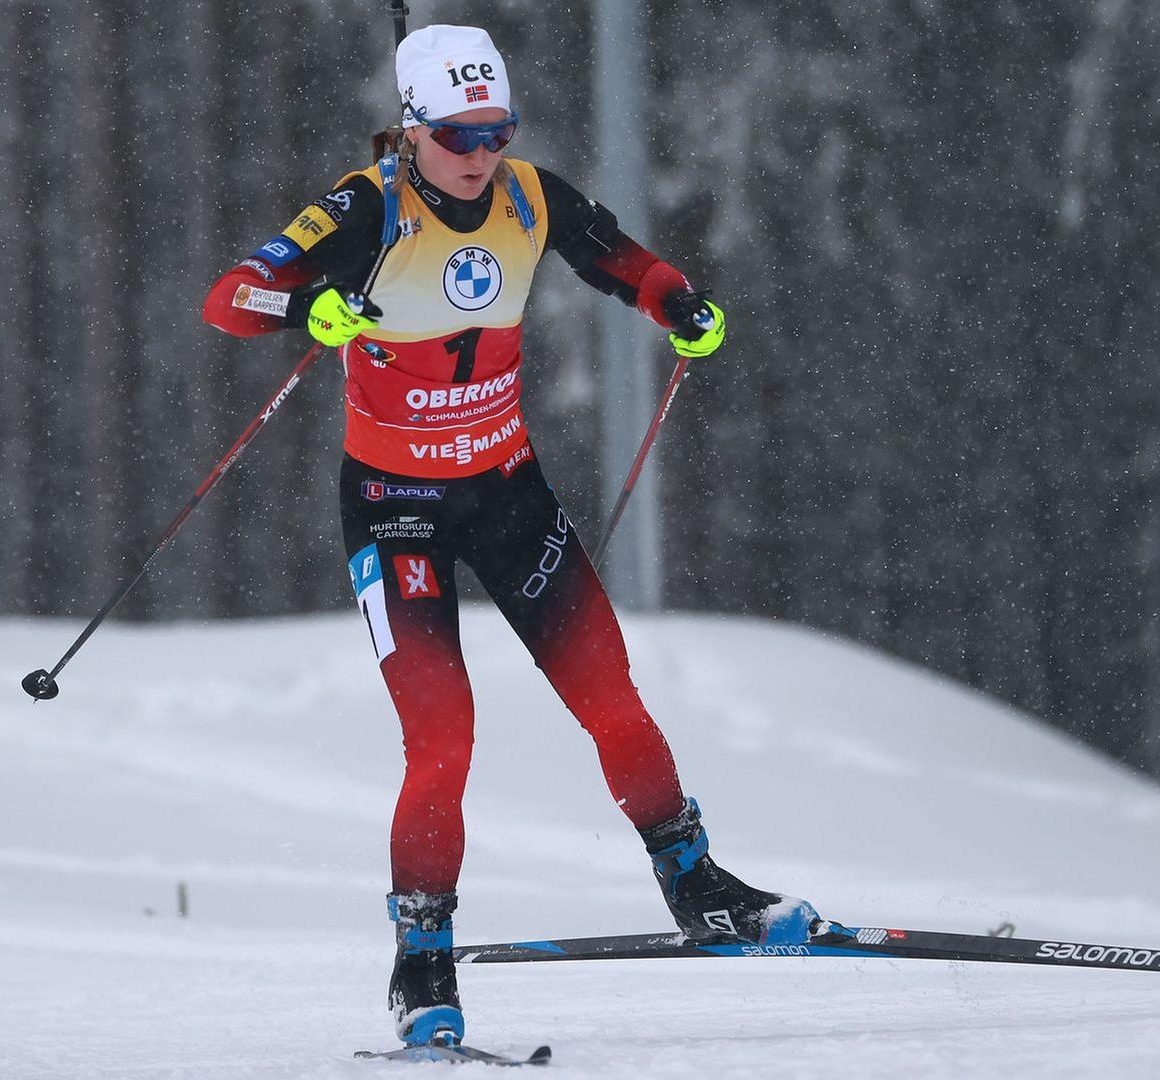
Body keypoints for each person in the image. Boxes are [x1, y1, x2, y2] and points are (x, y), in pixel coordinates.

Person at [201, 24, 818, 1048]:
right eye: (457, 134)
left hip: (506, 490)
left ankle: (698, 886)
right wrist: (309, 306)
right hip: (393, 506)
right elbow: (231, 299)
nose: (480, 153)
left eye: (496, 129)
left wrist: (681, 306)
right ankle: (421, 968)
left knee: (608, 694)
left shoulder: (530, 197)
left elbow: (618, 258)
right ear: (412, 130)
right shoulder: (366, 206)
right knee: (443, 737)